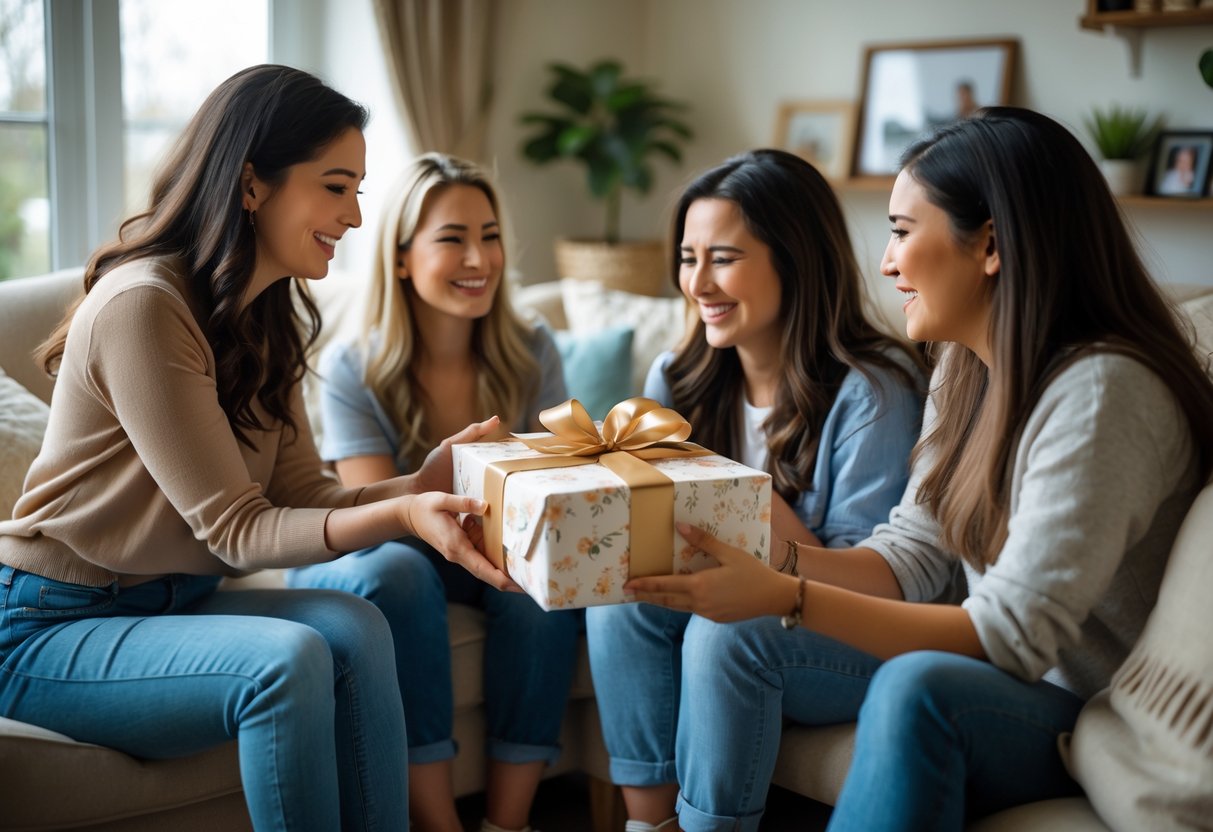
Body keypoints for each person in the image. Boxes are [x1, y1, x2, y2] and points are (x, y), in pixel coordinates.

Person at [624, 107, 1213, 832]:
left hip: (1081, 703)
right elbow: (909, 555)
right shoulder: (963, 369)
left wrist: (787, 592)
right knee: (727, 628)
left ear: (989, 244)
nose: (885, 261)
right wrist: (767, 561)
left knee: (916, 687)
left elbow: (1012, 636)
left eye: (902, 231)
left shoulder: (1101, 393)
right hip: (1005, 669)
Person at [0, 65, 504, 831]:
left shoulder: (269, 316)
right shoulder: (145, 306)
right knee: (288, 662)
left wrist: (415, 484)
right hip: (54, 626)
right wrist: (404, 516)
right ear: (250, 185)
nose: (356, 217)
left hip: (175, 605)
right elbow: (237, 530)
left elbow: (303, 493)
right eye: (336, 187)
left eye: (358, 190)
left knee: (358, 624)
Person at [585, 148, 928, 832]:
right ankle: (647, 823)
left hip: (841, 629)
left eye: (723, 257)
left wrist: (734, 492)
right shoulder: (678, 378)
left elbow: (871, 585)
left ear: (793, 259)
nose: (698, 283)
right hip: (739, 609)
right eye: (687, 258)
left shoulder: (873, 387)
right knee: (620, 598)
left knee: (726, 630)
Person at [291, 152, 581, 832]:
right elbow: (375, 508)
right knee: (399, 572)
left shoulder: (532, 347)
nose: (479, 258)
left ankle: (507, 824)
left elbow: (554, 482)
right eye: (452, 238)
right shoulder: (353, 366)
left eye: (490, 236)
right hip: (390, 546)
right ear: (400, 258)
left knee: (543, 583)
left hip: (489, 542)